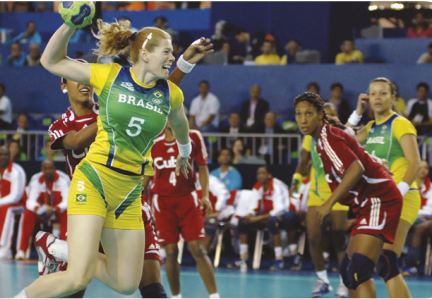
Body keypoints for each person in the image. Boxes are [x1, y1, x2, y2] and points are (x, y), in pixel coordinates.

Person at [15, 16, 193, 297]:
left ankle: (60, 249)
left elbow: (181, 124)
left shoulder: (171, 94)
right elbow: (51, 61)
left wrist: (185, 150)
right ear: (145, 53)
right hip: (95, 179)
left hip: (129, 192)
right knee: (77, 278)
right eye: (167, 51)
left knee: (126, 284)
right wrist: (69, 26)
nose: (172, 56)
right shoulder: (109, 76)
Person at [294, 92, 402, 298]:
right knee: (348, 271)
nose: (303, 119)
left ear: (320, 115)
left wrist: (328, 204)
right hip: (368, 202)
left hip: (380, 199)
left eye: (308, 113)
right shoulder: (324, 137)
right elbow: (356, 147)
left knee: (358, 270)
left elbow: (356, 168)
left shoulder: (327, 137)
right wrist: (377, 163)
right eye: (298, 114)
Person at [348, 77, 422, 297]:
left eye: (383, 93)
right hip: (379, 202)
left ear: (393, 97)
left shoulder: (400, 123)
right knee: (356, 264)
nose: (377, 98)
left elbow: (415, 163)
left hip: (403, 196)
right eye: (373, 94)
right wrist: (357, 113)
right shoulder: (370, 128)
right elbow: (343, 138)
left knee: (386, 261)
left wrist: (399, 191)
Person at [150, 126, 219, 298]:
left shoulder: (193, 136)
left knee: (197, 249)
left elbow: (202, 166)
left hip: (187, 199)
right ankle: (176, 296)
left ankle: (214, 296)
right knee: (171, 251)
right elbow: (146, 173)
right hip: (162, 202)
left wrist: (205, 195)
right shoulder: (152, 141)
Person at [291, 103, 349, 298]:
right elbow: (303, 160)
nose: (328, 117)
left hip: (338, 193)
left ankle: (344, 282)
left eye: (332, 113)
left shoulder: (343, 135)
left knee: (339, 238)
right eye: (325, 114)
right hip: (316, 193)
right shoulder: (311, 137)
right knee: (314, 237)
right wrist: (297, 181)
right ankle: (322, 279)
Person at [236, 166, 295, 272]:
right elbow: (253, 207)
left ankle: (279, 259)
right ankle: (244, 258)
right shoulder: (257, 187)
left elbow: (280, 208)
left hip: (286, 214)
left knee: (272, 221)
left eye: (263, 173)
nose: (260, 176)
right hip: (267, 216)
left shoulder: (277, 185)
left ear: (269, 175)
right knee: (242, 222)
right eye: (258, 173)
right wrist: (250, 215)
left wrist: (258, 218)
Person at [15, 160, 69, 260]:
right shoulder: (36, 179)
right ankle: (21, 250)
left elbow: (67, 201)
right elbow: (30, 201)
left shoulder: (63, 179)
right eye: (46, 169)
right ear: (42, 170)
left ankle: (64, 250)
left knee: (67, 213)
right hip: (41, 212)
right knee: (27, 213)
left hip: (57, 212)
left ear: (54, 169)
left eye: (51, 168)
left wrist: (53, 209)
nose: (48, 171)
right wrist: (40, 209)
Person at [0, 146, 26, 259]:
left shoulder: (16, 171)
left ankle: (4, 249)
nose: (3, 157)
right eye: (1, 154)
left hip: (19, 204)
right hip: (3, 203)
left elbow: (16, 196)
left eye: (5, 154)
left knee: (7, 209)